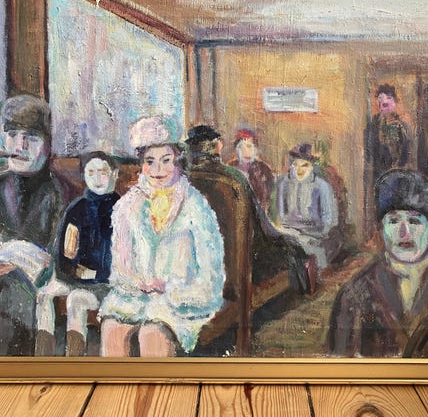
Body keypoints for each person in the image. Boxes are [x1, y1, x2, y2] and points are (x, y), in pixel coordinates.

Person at [99, 116, 225, 357]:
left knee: (153, 333)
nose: (158, 170)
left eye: (166, 160)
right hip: (135, 298)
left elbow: (211, 275)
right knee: (112, 329)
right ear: (141, 164)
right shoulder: (127, 206)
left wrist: (170, 288)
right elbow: (120, 266)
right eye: (150, 161)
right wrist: (139, 282)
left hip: (181, 301)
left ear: (178, 161)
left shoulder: (196, 206)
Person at [329, 169, 428, 358]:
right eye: (393, 221)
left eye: (414, 221)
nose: (404, 232)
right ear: (381, 228)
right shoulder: (354, 294)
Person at [185, 125, 309, 300]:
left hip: (199, 259)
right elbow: (262, 224)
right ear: (218, 146)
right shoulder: (234, 179)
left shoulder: (183, 178)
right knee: (292, 249)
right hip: (241, 259)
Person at [35, 151, 120, 356]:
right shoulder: (76, 209)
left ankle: (74, 358)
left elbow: (122, 258)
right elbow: (65, 254)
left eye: (103, 172)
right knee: (44, 294)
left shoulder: (122, 209)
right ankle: (42, 357)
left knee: (76, 300)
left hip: (108, 282)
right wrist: (71, 271)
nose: (97, 178)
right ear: (84, 176)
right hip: (76, 277)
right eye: (91, 172)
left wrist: (98, 274)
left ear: (115, 174)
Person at [0, 94, 64, 355]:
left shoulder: (59, 193)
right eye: (12, 134)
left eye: (32, 137)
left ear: (48, 145)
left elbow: (55, 258)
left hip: (27, 286)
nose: (20, 145)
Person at [275, 143, 339, 272]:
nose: (299, 169)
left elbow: (329, 221)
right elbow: (280, 216)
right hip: (290, 235)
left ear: (311, 166)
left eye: (304, 165)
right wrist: (291, 232)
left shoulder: (322, 186)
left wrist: (309, 234)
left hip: (315, 238)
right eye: (296, 165)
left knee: (306, 259)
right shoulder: (284, 183)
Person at [365, 83, 412, 183]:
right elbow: (369, 155)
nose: (384, 102)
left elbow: (407, 153)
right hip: (379, 177)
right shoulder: (373, 126)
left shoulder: (403, 127)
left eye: (389, 99)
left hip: (399, 177)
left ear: (395, 102)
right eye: (380, 100)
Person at [227, 128, 274, 212]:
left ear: (255, 149)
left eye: (249, 146)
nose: (246, 150)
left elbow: (268, 198)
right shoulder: (230, 168)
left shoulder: (264, 170)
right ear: (237, 149)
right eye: (241, 147)